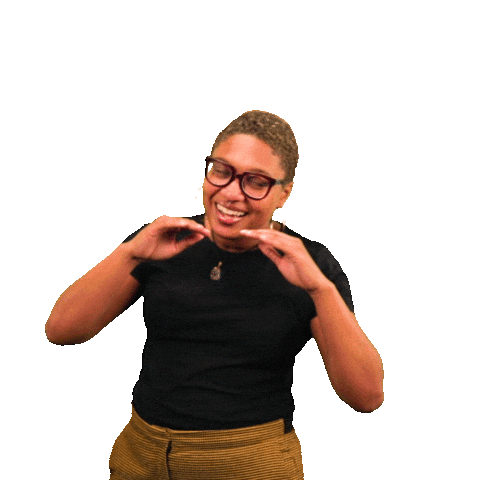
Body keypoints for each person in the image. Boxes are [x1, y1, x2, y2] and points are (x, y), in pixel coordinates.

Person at [46, 111, 384, 480]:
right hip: (140, 452)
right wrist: (129, 253)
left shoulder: (311, 263)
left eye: (256, 181)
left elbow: (366, 397)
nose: (232, 192)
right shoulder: (166, 239)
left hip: (248, 460)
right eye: (221, 171)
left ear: (284, 193)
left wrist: (320, 289)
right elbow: (61, 331)